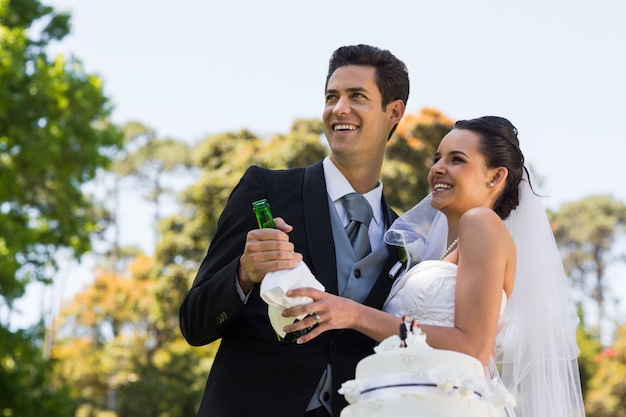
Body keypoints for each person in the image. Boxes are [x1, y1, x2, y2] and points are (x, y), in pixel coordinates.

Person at [283, 116, 585, 416]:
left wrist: (354, 314)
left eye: (457, 160)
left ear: (495, 177)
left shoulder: (480, 222)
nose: (438, 168)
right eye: (437, 158)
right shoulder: (437, 250)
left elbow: (472, 350)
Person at [179, 44, 410, 417]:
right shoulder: (266, 190)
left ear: (393, 112)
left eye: (357, 96)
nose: (339, 109)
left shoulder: (403, 239)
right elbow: (194, 322)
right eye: (331, 97)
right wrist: (244, 272)